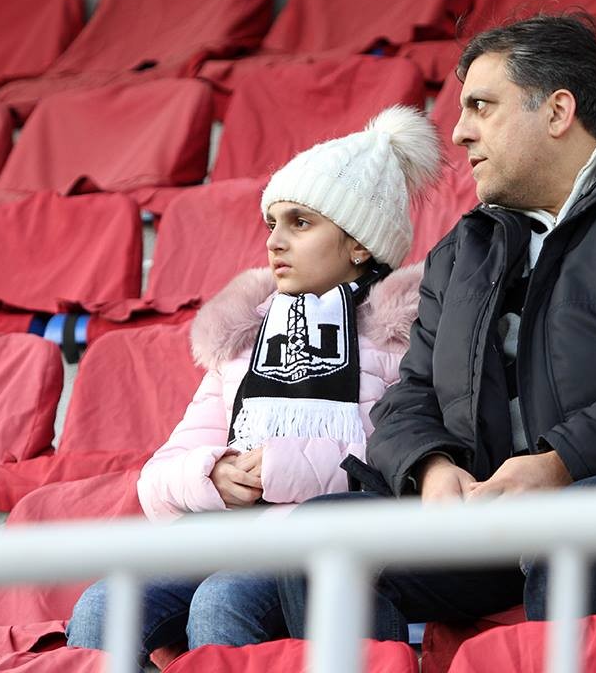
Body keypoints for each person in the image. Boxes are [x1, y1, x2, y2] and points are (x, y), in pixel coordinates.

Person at [277, 13, 596, 641]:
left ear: (557, 112)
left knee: (580, 523)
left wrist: (560, 463)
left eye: (481, 106)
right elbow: (411, 396)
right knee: (322, 540)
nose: (459, 132)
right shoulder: (462, 251)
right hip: (503, 507)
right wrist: (432, 467)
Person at [66, 105, 440, 663]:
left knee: (223, 601)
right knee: (102, 605)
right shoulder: (245, 337)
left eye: (301, 223)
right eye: (273, 223)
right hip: (221, 533)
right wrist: (213, 474)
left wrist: (282, 467)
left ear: (359, 244)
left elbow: (395, 459)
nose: (275, 242)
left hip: (316, 546)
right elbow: (159, 476)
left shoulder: (402, 339)